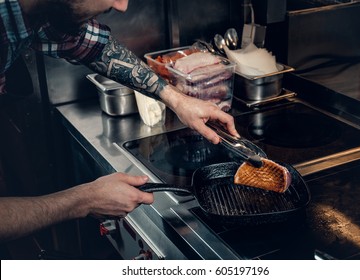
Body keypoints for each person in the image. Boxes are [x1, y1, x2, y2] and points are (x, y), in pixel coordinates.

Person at [0, 0, 239, 243]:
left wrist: (177, 100)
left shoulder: (36, 13)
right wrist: (84, 201)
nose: (123, 6)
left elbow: (94, 47)